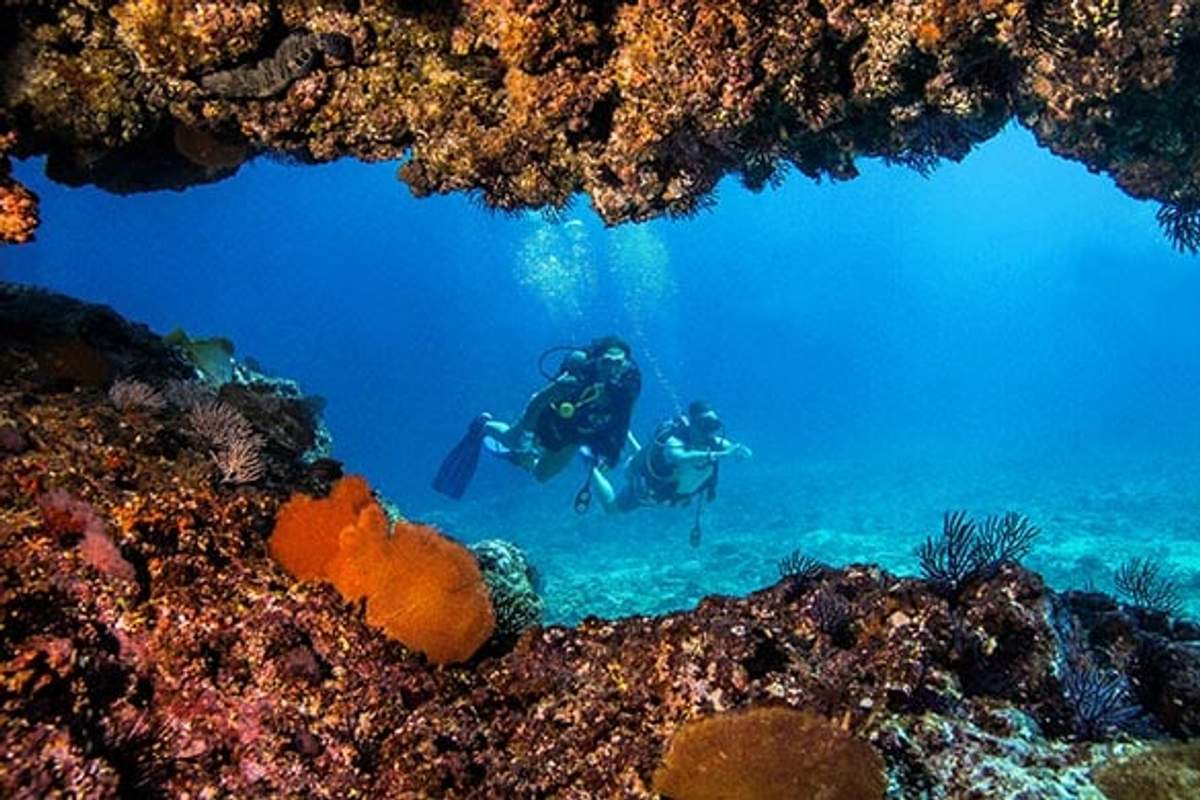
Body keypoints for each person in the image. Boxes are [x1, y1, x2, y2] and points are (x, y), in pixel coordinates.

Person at [433, 336, 642, 498]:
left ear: (626, 364)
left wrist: (612, 452)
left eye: (619, 363)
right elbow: (539, 402)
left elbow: (624, 420)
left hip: (575, 432)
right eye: (607, 362)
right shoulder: (577, 376)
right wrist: (525, 441)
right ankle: (484, 425)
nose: (612, 369)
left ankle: (522, 458)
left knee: (542, 476)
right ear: (597, 361)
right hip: (547, 417)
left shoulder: (628, 386)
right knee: (511, 440)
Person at [589, 400, 752, 545]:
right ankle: (592, 467)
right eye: (704, 425)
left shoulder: (714, 442)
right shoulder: (674, 439)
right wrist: (715, 454)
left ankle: (626, 434)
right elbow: (679, 456)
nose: (709, 432)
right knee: (612, 509)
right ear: (692, 424)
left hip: (669, 490)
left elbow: (737, 450)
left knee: (643, 457)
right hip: (645, 485)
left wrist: (741, 451)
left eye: (713, 425)